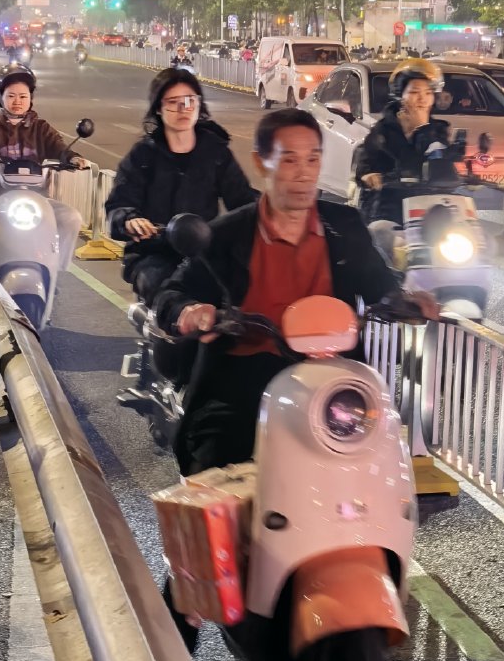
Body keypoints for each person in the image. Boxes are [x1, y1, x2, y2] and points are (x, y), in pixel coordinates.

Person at [154, 108, 439, 476]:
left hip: (330, 380)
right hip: (244, 380)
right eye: (289, 160)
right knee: (215, 471)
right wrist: (190, 311)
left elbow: (378, 284)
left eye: (312, 159)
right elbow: (173, 294)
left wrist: (403, 300)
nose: (304, 173)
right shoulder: (227, 234)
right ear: (261, 162)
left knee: (377, 466)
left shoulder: (345, 226)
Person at [105, 67, 255, 305]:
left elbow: (243, 201)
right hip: (153, 253)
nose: (183, 108)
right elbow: (118, 205)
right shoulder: (143, 156)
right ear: (158, 108)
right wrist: (130, 220)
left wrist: (271, 211)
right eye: (173, 103)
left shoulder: (216, 153)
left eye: (189, 101)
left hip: (203, 251)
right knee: (166, 293)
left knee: (238, 293)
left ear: (199, 103)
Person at [0, 65, 87, 266]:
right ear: (0, 97)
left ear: (30, 98)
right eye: (11, 96)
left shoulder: (41, 128)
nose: (17, 101)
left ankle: (57, 269)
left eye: (23, 96)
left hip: (36, 198)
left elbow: (59, 148)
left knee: (71, 218)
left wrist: (73, 159)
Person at [354, 58, 451, 228]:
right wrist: (368, 176)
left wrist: (423, 129)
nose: (422, 99)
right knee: (380, 231)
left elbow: (442, 166)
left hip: (432, 213)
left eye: (428, 93)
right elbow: (364, 165)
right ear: (400, 96)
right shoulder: (383, 130)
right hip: (388, 211)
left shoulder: (439, 131)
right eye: (414, 92)